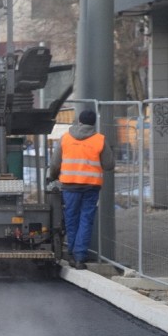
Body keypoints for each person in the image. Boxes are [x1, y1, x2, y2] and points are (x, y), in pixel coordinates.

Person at [49, 110, 114, 270]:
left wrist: (53, 176)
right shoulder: (99, 140)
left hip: (70, 186)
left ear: (79, 121)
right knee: (86, 220)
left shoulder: (66, 138)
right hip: (91, 187)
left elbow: (55, 163)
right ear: (93, 123)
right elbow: (109, 165)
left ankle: (70, 254)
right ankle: (79, 258)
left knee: (71, 219)